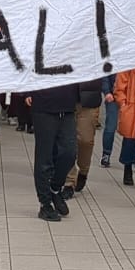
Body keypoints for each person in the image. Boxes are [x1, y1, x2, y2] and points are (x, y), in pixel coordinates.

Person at [30, 81, 94, 222]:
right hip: (44, 105)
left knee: (69, 153)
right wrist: (26, 92)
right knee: (44, 157)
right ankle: (45, 204)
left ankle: (54, 188)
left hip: (67, 106)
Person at [66, 79, 106, 197]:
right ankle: (69, 181)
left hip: (89, 101)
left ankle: (83, 171)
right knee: (67, 142)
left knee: (85, 140)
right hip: (66, 99)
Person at [111, 68, 135, 186]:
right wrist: (122, 103)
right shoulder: (131, 58)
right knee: (130, 136)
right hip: (132, 101)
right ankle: (127, 167)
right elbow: (120, 83)